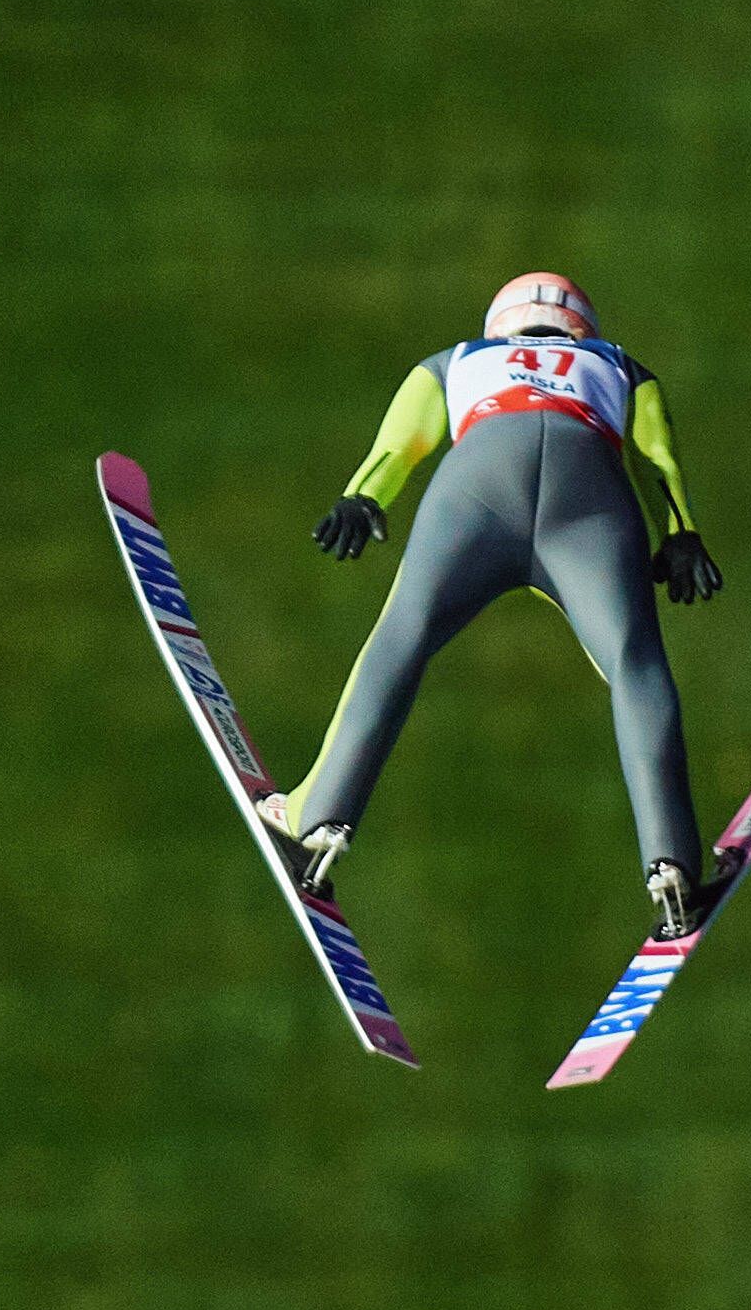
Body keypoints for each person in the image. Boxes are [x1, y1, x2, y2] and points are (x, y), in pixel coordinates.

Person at [256, 272, 726, 938]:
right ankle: (671, 864)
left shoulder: (458, 358)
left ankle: (319, 816)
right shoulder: (621, 365)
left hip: (479, 483)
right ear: (583, 329)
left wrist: (364, 497)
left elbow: (397, 446)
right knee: (634, 663)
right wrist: (680, 535)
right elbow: (657, 463)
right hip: (587, 487)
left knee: (404, 635)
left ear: (497, 325)